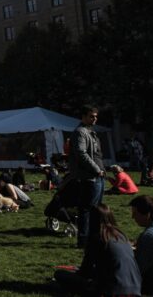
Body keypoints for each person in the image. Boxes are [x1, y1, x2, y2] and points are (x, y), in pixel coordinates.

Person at [54, 204, 141, 296]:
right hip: (135, 289)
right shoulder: (121, 236)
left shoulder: (97, 238)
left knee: (60, 274)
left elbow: (85, 271)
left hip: (110, 291)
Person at [69, 105, 105, 248]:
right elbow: (81, 154)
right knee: (86, 210)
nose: (94, 118)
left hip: (98, 176)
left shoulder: (91, 132)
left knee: (96, 210)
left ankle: (94, 238)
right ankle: (83, 241)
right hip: (89, 177)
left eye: (96, 116)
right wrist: (97, 170)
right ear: (83, 116)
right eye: (91, 116)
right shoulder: (80, 132)